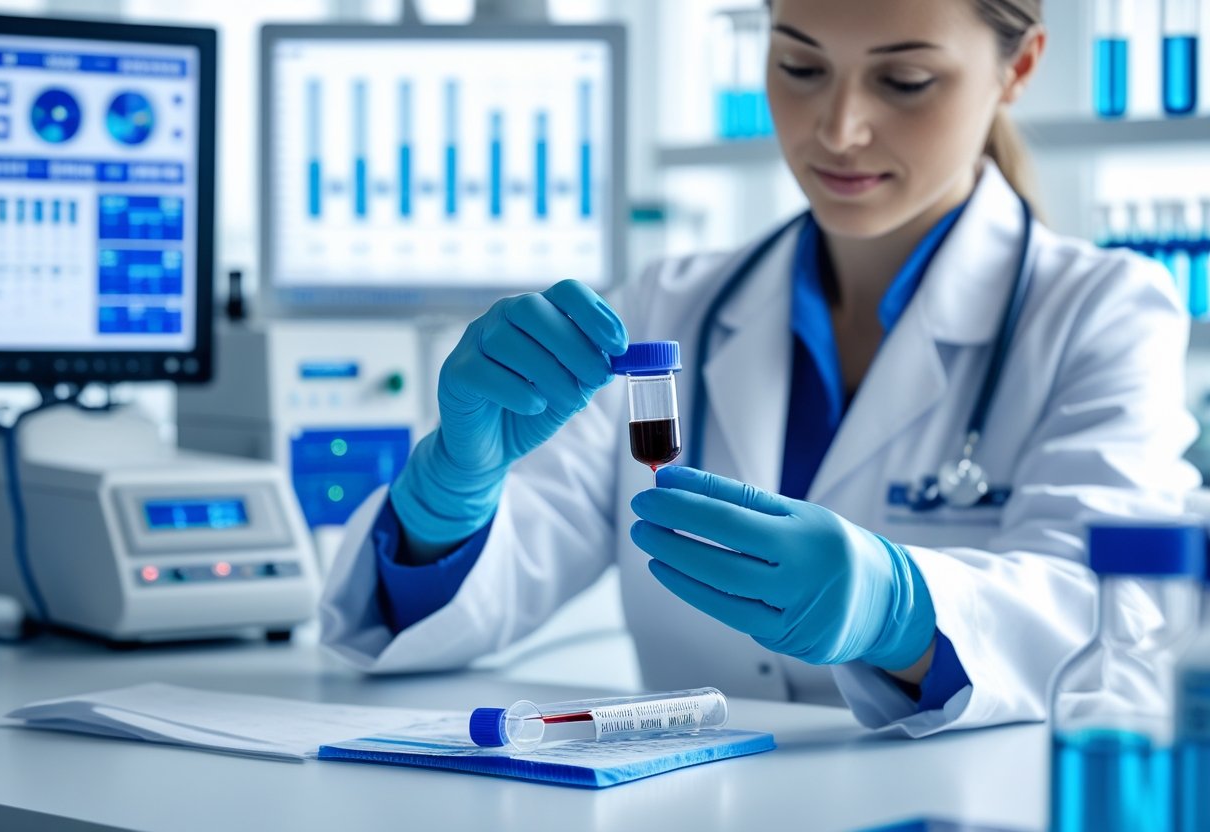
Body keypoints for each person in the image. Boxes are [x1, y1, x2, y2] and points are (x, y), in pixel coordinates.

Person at [321, 0, 1199, 737]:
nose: (839, 129)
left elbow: (1119, 624)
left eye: (905, 80)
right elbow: (473, 596)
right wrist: (448, 501)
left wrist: (905, 613)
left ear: (1019, 68)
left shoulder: (1104, 312)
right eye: (800, 67)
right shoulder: (670, 307)